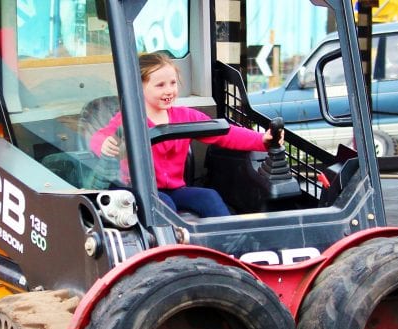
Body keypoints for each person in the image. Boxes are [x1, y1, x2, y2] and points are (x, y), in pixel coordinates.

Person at [90, 52, 283, 217]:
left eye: (173, 83)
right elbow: (99, 137)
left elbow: (225, 133)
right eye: (160, 85)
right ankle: (174, 254)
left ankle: (228, 248)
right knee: (165, 205)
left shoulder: (186, 116)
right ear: (138, 87)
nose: (169, 90)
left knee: (210, 197)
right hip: (141, 190)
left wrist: (262, 140)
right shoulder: (128, 118)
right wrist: (104, 144)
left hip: (176, 189)